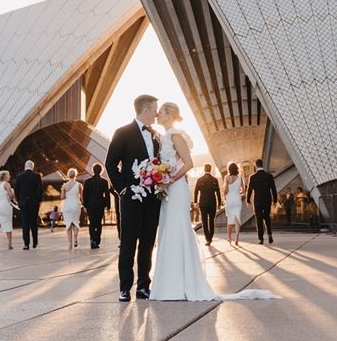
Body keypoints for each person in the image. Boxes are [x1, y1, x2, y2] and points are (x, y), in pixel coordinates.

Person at [149, 102, 278, 302]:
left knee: (177, 229)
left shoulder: (175, 136)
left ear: (169, 115)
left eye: (161, 112)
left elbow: (189, 164)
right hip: (168, 190)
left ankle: (180, 284)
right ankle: (170, 283)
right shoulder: (165, 136)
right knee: (168, 229)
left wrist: (168, 180)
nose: (157, 114)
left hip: (175, 189)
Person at [105, 94, 161, 302]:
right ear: (145, 110)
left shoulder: (156, 135)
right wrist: (123, 189)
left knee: (147, 242)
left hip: (152, 199)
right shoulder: (122, 133)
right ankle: (124, 287)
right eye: (155, 109)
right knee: (128, 242)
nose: (157, 113)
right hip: (130, 199)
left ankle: (143, 286)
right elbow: (110, 164)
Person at [247, 158, 278, 244]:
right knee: (267, 217)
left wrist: (248, 200)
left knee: (259, 219)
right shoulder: (269, 176)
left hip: (257, 201)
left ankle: (261, 238)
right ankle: (269, 234)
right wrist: (275, 200)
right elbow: (273, 189)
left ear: (256, 166)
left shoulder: (252, 177)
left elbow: (249, 190)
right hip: (267, 200)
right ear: (262, 165)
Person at [13, 160, 42, 250]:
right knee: (34, 222)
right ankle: (35, 242)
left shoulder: (19, 177)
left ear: (25, 166)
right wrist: (38, 200)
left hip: (23, 203)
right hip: (34, 203)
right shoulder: (37, 176)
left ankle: (26, 244)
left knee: (25, 224)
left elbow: (16, 191)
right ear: (32, 167)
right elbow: (40, 190)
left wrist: (19, 201)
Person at [83, 164, 111, 249]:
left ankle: (92, 238)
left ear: (93, 170)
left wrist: (85, 204)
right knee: (98, 223)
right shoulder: (104, 182)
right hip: (100, 205)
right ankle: (97, 240)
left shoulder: (87, 181)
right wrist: (108, 206)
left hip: (90, 205)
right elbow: (107, 195)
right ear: (101, 171)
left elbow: (85, 195)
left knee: (92, 222)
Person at [194, 164, 222, 245]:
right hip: (212, 202)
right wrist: (219, 203)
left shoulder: (200, 180)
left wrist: (195, 201)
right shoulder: (215, 180)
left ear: (204, 169)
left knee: (204, 221)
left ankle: (207, 238)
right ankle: (211, 237)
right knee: (211, 221)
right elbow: (218, 193)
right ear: (210, 169)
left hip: (203, 203)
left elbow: (196, 191)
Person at [0, 170, 17, 250]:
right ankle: (9, 244)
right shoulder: (7, 184)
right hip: (5, 206)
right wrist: (14, 197)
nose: (10, 176)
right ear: (5, 176)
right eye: (8, 175)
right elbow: (11, 195)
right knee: (8, 224)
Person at [61, 168, 83, 251]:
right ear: (75, 175)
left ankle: (70, 245)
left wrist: (63, 190)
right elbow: (82, 197)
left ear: (68, 175)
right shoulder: (79, 185)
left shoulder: (64, 185)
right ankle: (75, 238)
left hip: (67, 206)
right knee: (76, 223)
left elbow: (62, 197)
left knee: (68, 225)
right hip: (76, 205)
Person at [223, 163, 243, 246]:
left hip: (229, 200)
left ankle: (229, 237)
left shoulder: (226, 177)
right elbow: (243, 190)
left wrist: (226, 195)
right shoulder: (240, 178)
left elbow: (225, 191)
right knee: (237, 218)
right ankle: (237, 238)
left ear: (229, 169)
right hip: (237, 199)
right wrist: (238, 193)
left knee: (229, 219)